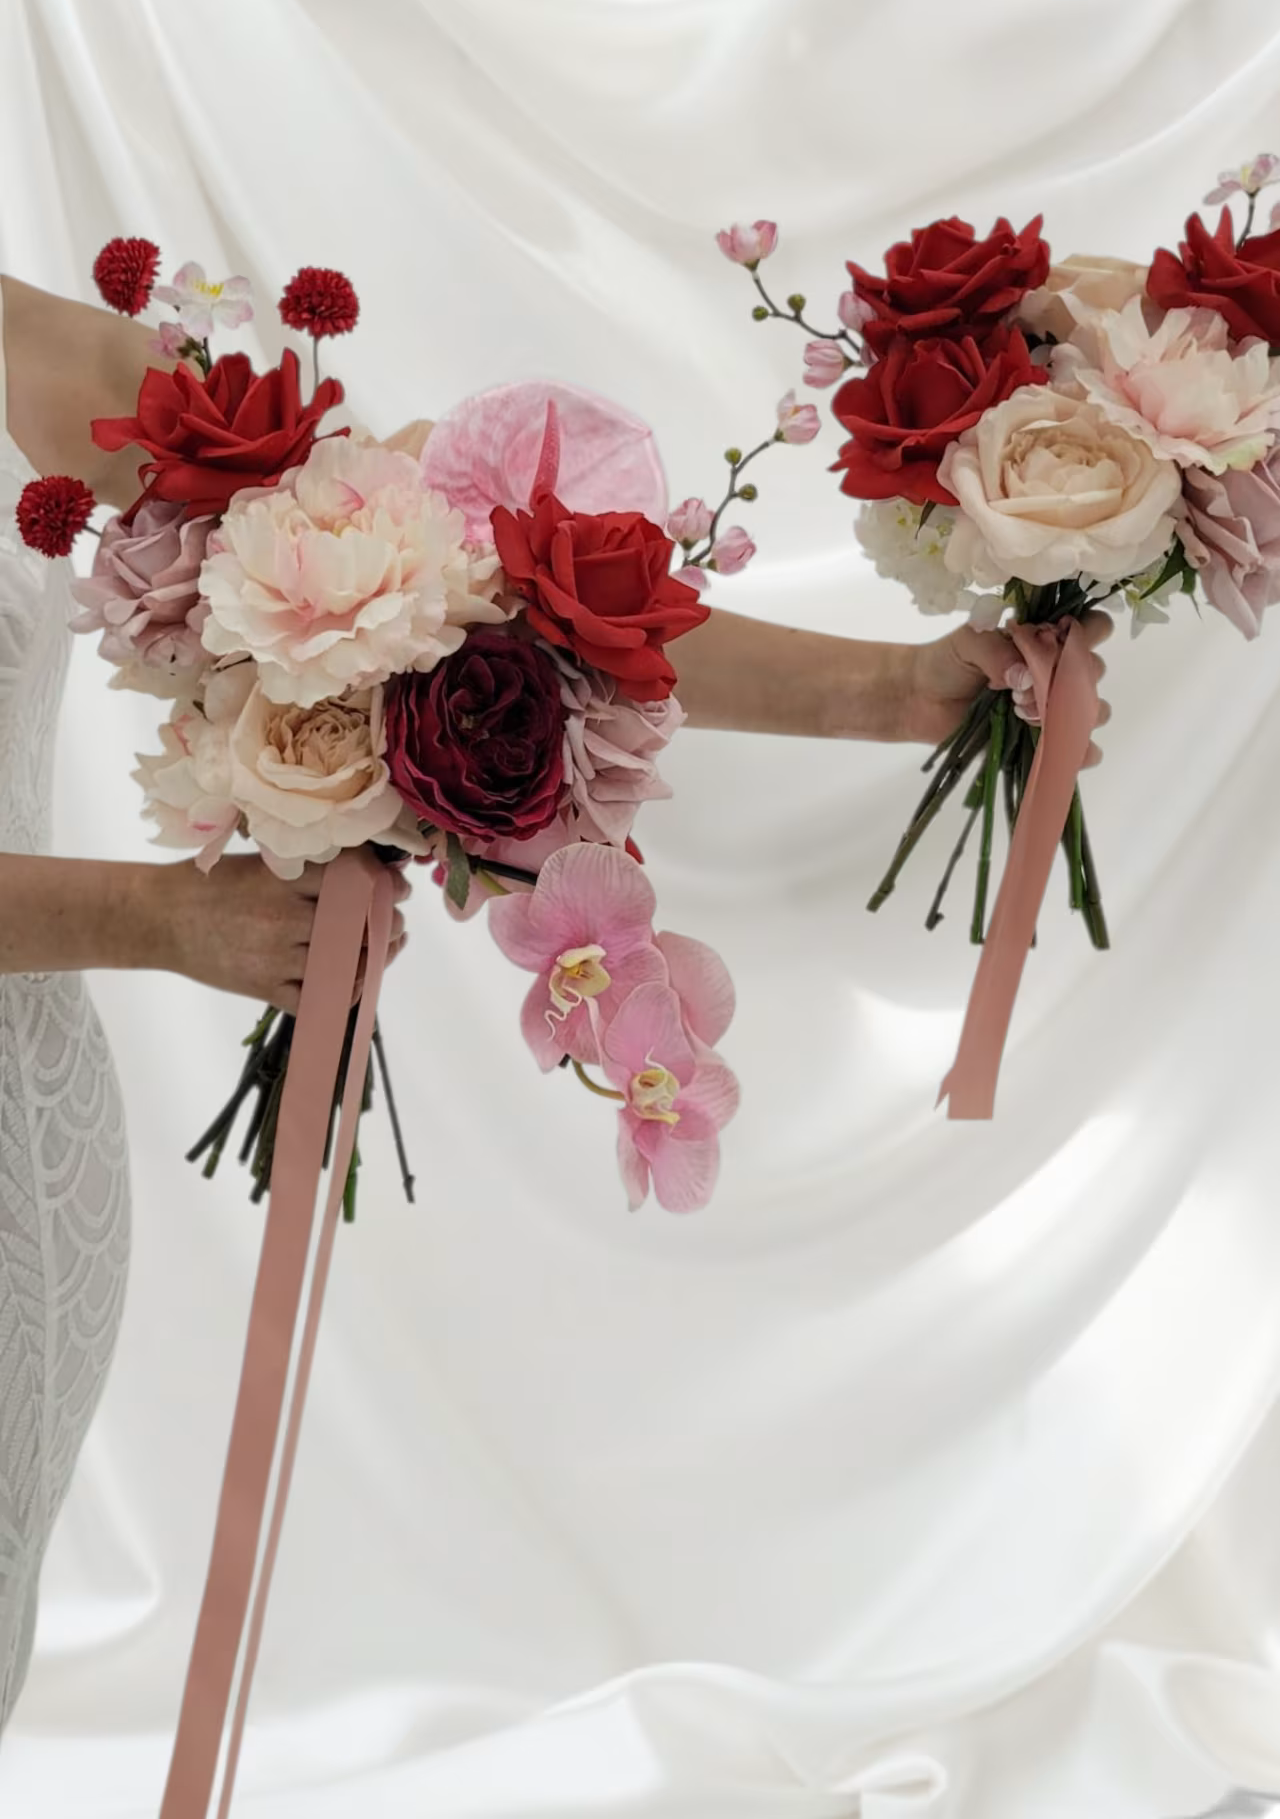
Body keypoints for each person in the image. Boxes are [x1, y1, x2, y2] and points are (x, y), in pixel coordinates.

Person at [0, 271, 1107, 1737]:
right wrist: (153, 915)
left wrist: (896, 697)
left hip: (31, 1150)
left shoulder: (33, 349)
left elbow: (490, 595)